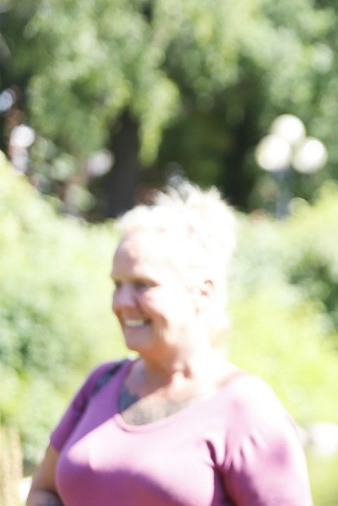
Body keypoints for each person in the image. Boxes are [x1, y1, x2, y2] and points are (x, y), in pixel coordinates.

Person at [26, 181, 313, 506]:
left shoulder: (247, 408)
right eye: (117, 285)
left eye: (142, 285)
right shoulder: (101, 383)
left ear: (202, 292)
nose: (121, 302)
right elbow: (44, 490)